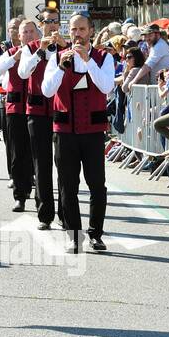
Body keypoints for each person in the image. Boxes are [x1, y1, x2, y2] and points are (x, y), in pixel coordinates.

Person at [42, 13, 115, 254]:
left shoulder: (103, 57)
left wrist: (88, 60)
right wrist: (62, 67)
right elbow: (46, 90)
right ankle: (73, 235)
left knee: (97, 185)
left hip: (93, 132)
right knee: (67, 186)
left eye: (82, 29)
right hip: (65, 131)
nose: (77, 34)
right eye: (74, 30)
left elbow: (106, 86)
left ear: (91, 31)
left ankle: (96, 234)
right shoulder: (56, 57)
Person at [18, 11, 64, 229]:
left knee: (64, 165)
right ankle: (45, 214)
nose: (51, 26)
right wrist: (40, 51)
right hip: (36, 112)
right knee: (41, 163)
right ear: (41, 25)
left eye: (55, 22)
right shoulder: (30, 48)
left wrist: (63, 47)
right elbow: (23, 73)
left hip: (61, 112)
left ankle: (66, 213)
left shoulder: (67, 47)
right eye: (48, 22)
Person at [0, 19, 39, 208]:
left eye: (31, 32)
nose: (28, 35)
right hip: (15, 109)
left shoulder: (42, 52)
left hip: (38, 109)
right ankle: (20, 196)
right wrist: (13, 59)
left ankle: (39, 194)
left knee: (36, 154)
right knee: (17, 153)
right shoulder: (11, 52)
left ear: (37, 34)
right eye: (24, 32)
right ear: (18, 36)